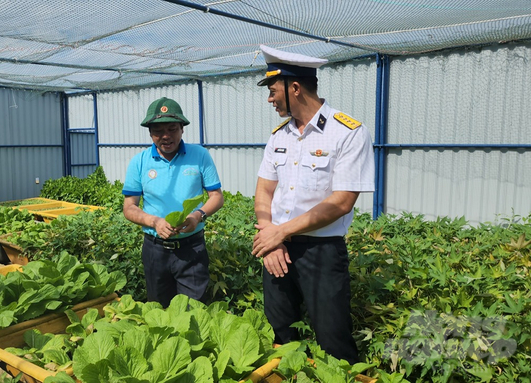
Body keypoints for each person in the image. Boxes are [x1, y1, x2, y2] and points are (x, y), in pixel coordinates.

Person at [252, 45, 375, 364]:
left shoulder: (346, 132)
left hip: (321, 252)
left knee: (332, 338)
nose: (269, 98)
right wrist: (270, 237)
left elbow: (342, 202)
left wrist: (281, 232)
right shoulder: (279, 136)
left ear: (294, 87)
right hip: (275, 248)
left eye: (273, 90)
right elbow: (264, 192)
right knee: (279, 333)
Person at [122, 97, 224, 308]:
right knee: (159, 310)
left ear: (182, 130)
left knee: (193, 311)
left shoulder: (200, 155)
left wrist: (198, 216)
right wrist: (154, 222)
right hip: (155, 250)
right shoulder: (139, 162)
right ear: (150, 133)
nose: (166, 136)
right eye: (158, 131)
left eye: (172, 128)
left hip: (192, 248)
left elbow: (216, 196)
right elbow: (129, 207)